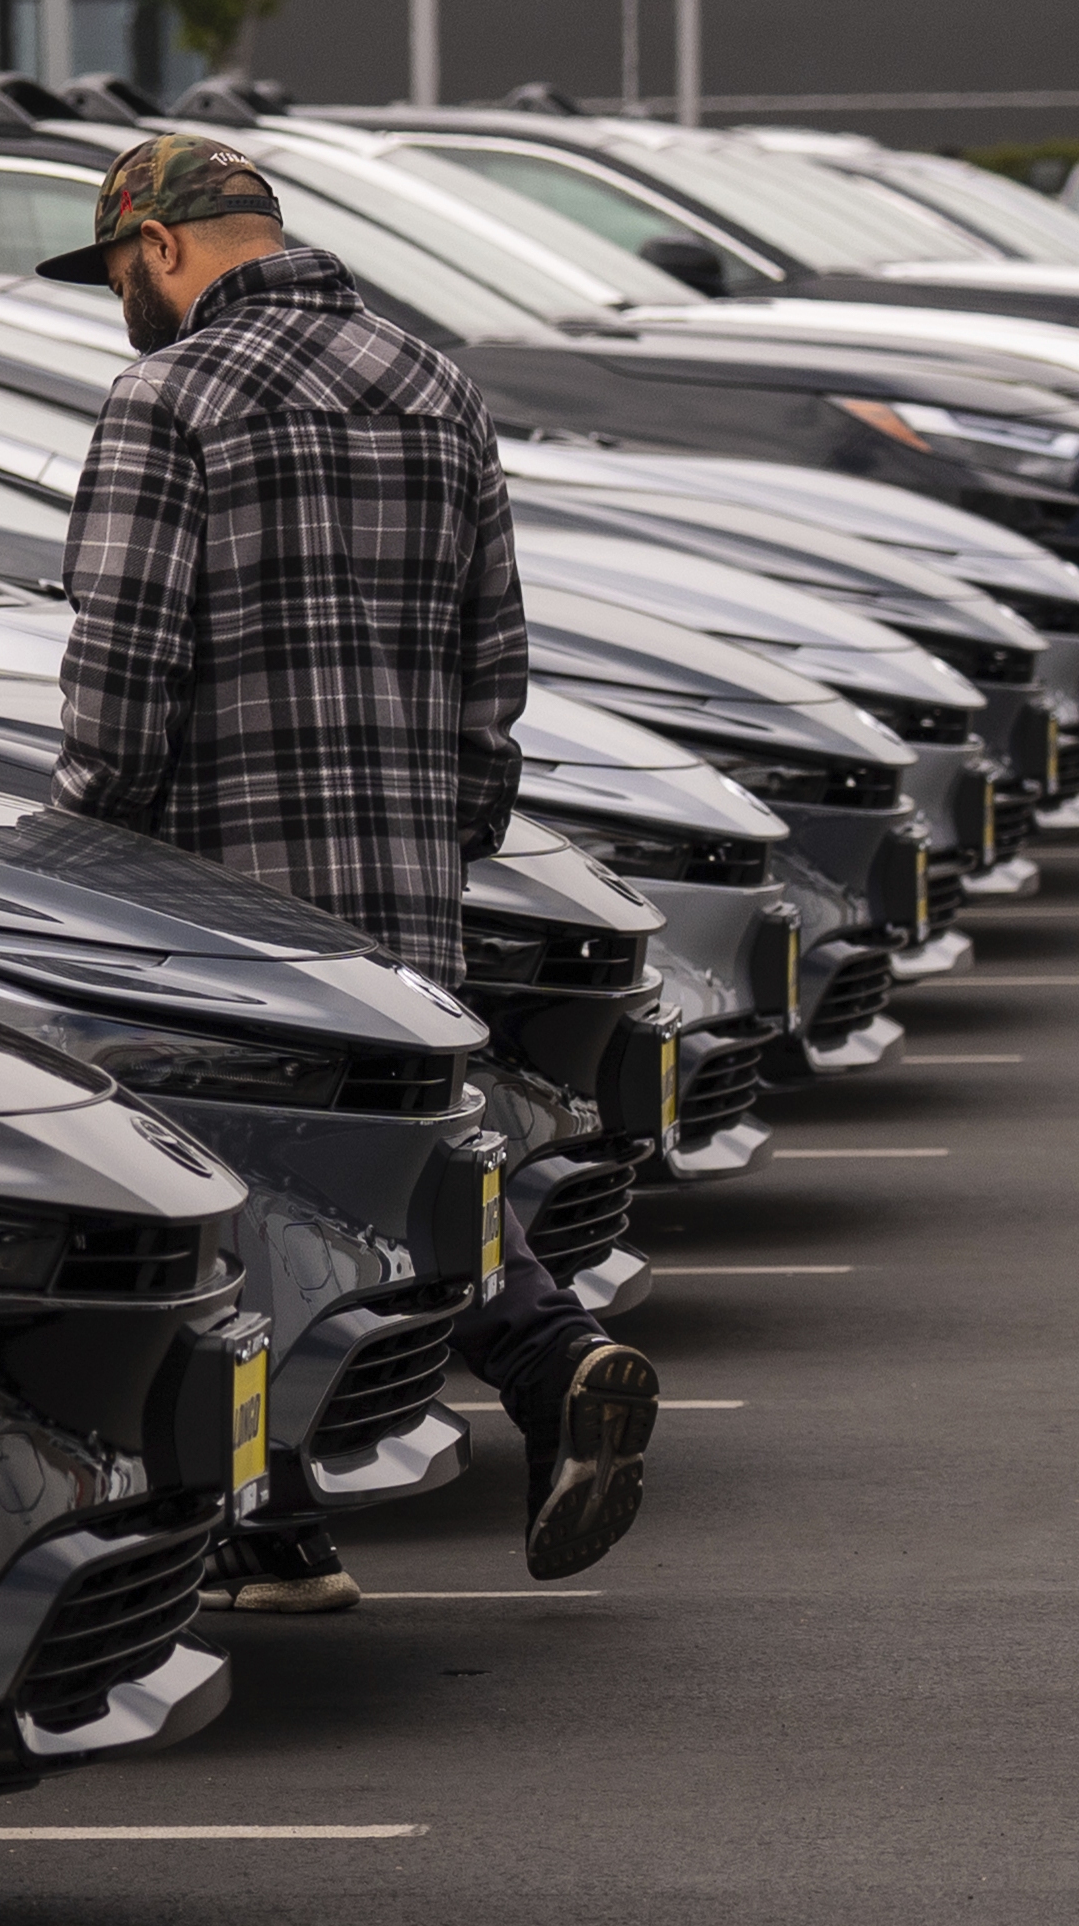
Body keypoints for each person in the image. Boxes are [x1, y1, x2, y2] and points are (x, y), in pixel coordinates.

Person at [35, 131, 655, 1604]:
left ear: (165, 247)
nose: (123, 299)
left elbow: (122, 672)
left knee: (224, 1191)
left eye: (121, 270)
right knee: (390, 1165)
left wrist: (69, 845)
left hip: (214, 883)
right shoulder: (434, 384)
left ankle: (280, 1522)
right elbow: (491, 654)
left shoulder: (167, 396)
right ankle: (521, 1377)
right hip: (399, 873)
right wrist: (451, 832)